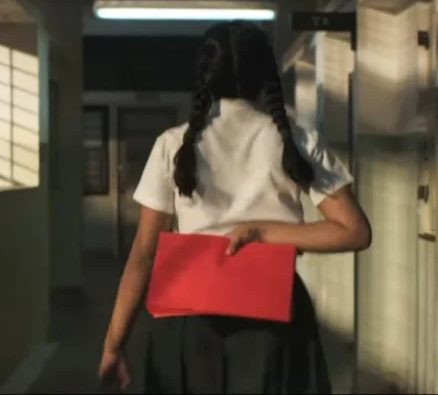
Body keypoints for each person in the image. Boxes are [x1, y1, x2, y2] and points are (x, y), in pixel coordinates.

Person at [98, 20, 371, 394]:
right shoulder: (297, 142)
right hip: (275, 317)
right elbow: (354, 230)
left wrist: (114, 344)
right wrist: (265, 233)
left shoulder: (172, 143)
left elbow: (144, 255)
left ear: (205, 75)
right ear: (264, 75)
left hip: (189, 319)